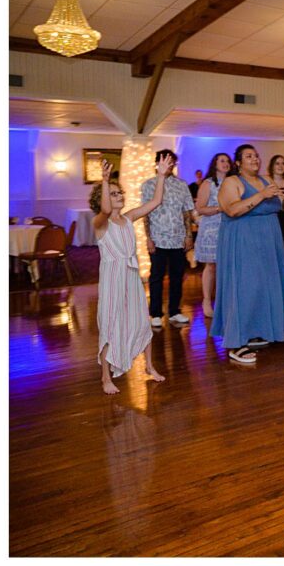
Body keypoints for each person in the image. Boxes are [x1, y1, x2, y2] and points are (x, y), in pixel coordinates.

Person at [211, 144, 284, 364]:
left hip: (268, 241)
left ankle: (259, 330)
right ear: (238, 163)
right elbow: (232, 210)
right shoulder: (232, 182)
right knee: (244, 287)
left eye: (257, 156)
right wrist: (262, 195)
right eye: (249, 156)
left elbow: (283, 207)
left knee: (264, 287)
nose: (255, 159)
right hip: (243, 241)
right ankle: (236, 343)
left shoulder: (263, 181)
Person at [92, 157, 170, 394]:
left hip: (131, 277)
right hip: (112, 278)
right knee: (109, 325)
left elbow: (156, 201)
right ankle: (106, 377)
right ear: (102, 198)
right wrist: (105, 180)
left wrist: (161, 175)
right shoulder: (100, 222)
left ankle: (148, 366)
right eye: (114, 194)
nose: (119, 197)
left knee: (141, 321)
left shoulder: (128, 218)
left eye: (120, 193)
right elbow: (105, 209)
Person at [141, 149, 195, 327]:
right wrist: (148, 238)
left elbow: (187, 212)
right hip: (158, 238)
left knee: (177, 276)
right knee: (156, 276)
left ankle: (174, 311)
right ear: (157, 163)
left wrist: (188, 236)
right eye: (165, 161)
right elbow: (146, 213)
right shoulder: (149, 185)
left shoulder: (182, 185)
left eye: (172, 162)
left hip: (178, 238)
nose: (169, 164)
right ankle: (155, 313)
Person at [194, 152, 231, 318]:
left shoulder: (233, 182)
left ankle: (226, 301)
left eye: (227, 161)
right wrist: (219, 209)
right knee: (211, 266)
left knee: (227, 266)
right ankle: (207, 301)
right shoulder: (208, 184)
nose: (225, 163)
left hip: (230, 227)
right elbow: (200, 208)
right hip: (212, 228)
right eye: (222, 161)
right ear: (215, 164)